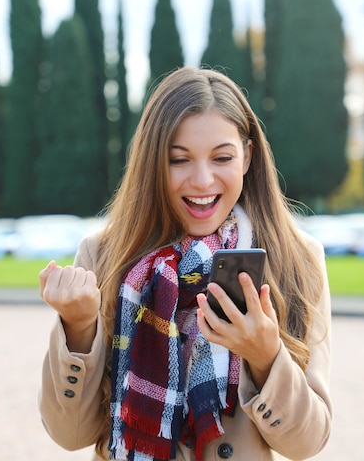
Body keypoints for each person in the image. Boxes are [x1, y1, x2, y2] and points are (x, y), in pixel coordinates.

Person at [38, 66, 332, 461]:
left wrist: (266, 358)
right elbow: (70, 433)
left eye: (222, 157)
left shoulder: (297, 259)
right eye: (179, 160)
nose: (202, 180)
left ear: (247, 156)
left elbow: (307, 442)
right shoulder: (104, 256)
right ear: (152, 163)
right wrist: (77, 329)